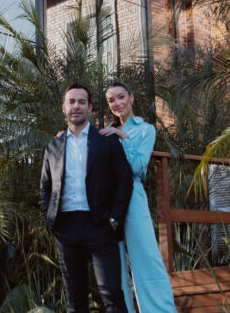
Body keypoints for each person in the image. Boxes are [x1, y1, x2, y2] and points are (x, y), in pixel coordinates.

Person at [40, 82, 133, 313]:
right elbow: (45, 187)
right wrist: (49, 221)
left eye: (82, 102)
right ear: (64, 107)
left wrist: (114, 219)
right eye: (71, 102)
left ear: (90, 107)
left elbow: (125, 180)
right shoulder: (53, 146)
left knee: (112, 292)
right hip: (65, 227)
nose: (76, 106)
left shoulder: (107, 140)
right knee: (75, 298)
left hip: (100, 225)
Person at [100, 81, 178, 313]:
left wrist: (120, 136)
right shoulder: (105, 133)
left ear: (131, 98)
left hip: (133, 198)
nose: (117, 103)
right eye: (111, 100)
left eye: (121, 97)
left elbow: (137, 166)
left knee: (146, 261)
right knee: (115, 269)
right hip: (108, 202)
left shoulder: (145, 129)